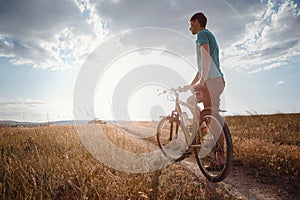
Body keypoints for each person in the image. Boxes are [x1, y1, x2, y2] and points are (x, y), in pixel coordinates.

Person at [188, 12, 225, 170]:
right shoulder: (209, 35)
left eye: (190, 24)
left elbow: (205, 56)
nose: (189, 27)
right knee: (211, 115)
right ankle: (203, 125)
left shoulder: (202, 34)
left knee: (213, 119)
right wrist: (191, 84)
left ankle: (202, 128)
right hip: (216, 80)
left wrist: (202, 81)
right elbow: (202, 65)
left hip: (211, 81)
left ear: (197, 22)